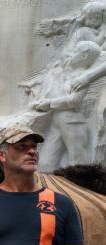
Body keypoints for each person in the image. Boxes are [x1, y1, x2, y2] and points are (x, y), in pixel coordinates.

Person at [32, 40, 102, 170]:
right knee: (45, 163)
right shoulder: (67, 72)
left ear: (84, 56)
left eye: (76, 51)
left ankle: (79, 190)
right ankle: (46, 189)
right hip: (58, 121)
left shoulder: (83, 76)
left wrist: (49, 104)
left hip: (74, 122)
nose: (72, 54)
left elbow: (74, 101)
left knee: (78, 163)